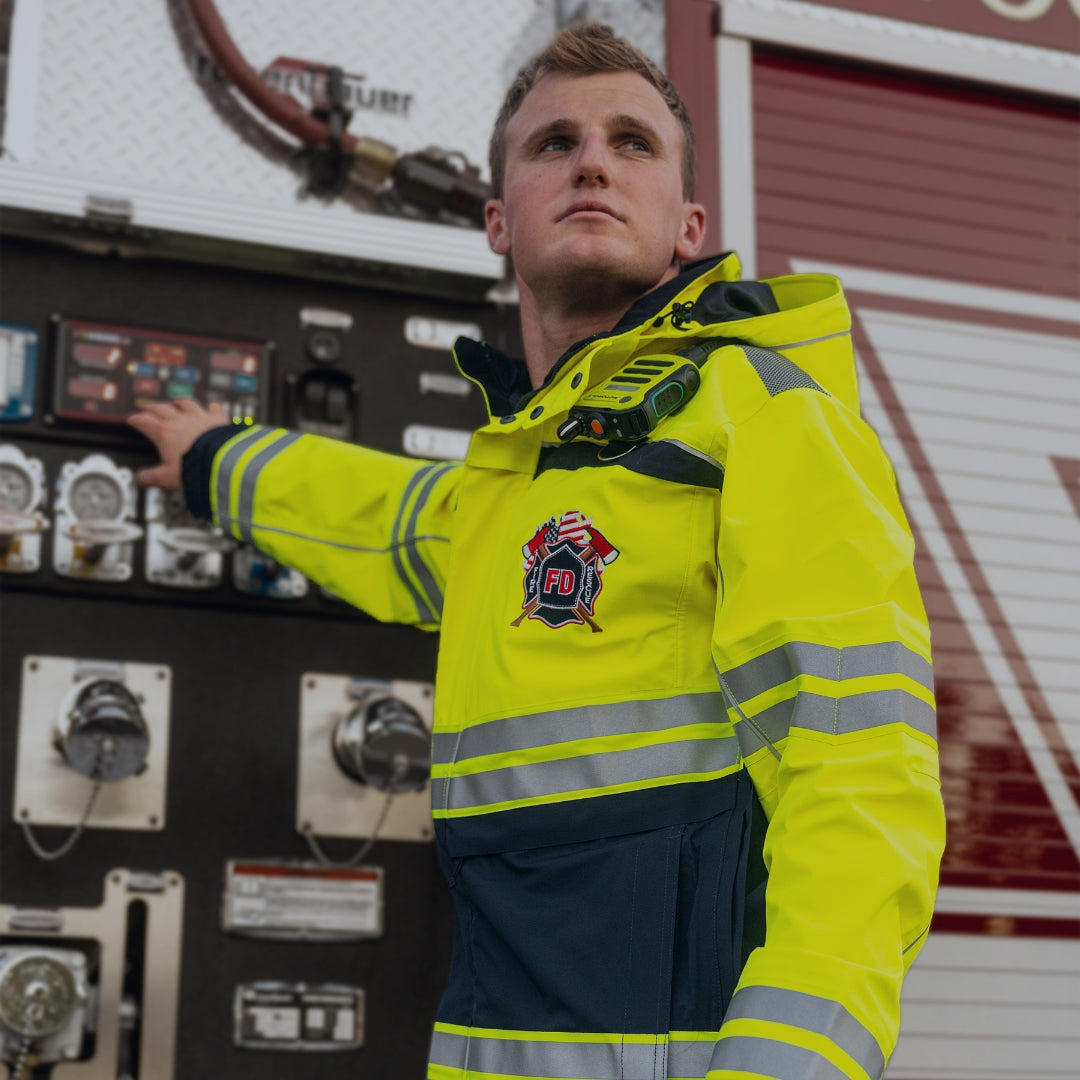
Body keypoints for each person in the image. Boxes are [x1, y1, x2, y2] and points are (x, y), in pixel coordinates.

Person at [129, 23, 944, 1080]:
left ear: (687, 226)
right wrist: (216, 461)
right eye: (554, 142)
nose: (594, 160)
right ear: (497, 222)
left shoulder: (769, 419)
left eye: (633, 144)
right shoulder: (525, 475)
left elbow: (863, 778)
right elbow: (395, 522)